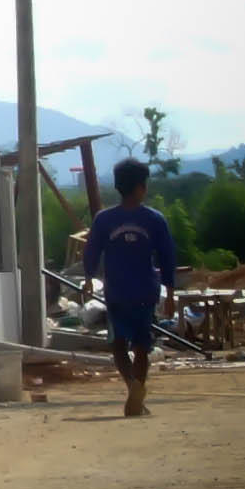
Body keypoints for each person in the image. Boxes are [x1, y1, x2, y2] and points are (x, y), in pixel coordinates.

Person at [82, 158, 177, 417]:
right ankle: (138, 391)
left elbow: (91, 252)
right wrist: (170, 293)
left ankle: (132, 386)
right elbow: (167, 257)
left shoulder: (104, 219)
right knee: (142, 346)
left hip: (117, 292)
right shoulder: (154, 219)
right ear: (140, 187)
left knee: (118, 345)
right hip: (146, 291)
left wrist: (88, 278)